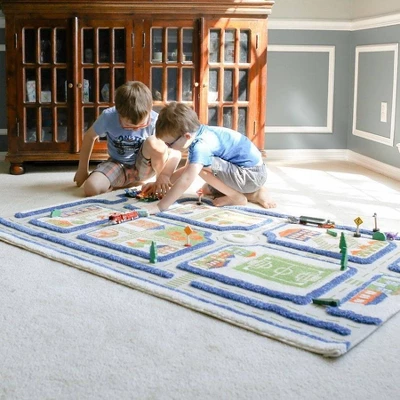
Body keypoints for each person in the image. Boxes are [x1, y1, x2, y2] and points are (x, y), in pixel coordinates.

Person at [142, 101, 276, 213]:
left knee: (200, 168)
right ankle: (254, 193)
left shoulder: (201, 146)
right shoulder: (200, 133)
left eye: (169, 144)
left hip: (250, 176)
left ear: (186, 136)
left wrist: (160, 206)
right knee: (205, 187)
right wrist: (159, 184)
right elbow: (187, 169)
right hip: (249, 173)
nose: (168, 147)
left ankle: (237, 197)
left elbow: (187, 178)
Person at [74, 81, 181, 197]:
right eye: (129, 125)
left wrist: (163, 176)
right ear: (118, 112)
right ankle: (127, 183)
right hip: (118, 164)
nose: (136, 129)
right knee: (90, 188)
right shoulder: (108, 116)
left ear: (150, 108)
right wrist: (82, 169)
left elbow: (172, 151)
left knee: (153, 142)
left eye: (141, 125)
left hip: (145, 167)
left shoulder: (155, 119)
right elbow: (89, 136)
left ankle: (156, 182)